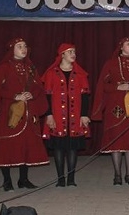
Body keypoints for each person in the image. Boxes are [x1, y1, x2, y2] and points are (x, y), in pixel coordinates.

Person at [0, 38, 49, 191]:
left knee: (26, 145)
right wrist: (14, 96)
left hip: (29, 112)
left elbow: (39, 86)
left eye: (25, 46)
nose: (23, 49)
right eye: (19, 46)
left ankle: (23, 179)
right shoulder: (3, 67)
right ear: (12, 49)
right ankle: (7, 181)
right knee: (7, 146)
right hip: (11, 112)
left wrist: (32, 93)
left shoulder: (31, 67)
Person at [91, 38, 129, 186]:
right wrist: (117, 87)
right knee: (116, 141)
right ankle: (117, 174)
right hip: (116, 108)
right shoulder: (111, 63)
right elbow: (102, 85)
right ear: (121, 47)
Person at [42, 43, 91, 187]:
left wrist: (84, 115)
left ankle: (71, 178)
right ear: (62, 55)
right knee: (58, 147)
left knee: (72, 147)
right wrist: (49, 115)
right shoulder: (51, 73)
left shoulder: (80, 74)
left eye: (74, 52)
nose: (73, 54)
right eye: (69, 52)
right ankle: (60, 179)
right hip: (57, 115)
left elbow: (85, 96)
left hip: (75, 117)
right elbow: (47, 96)